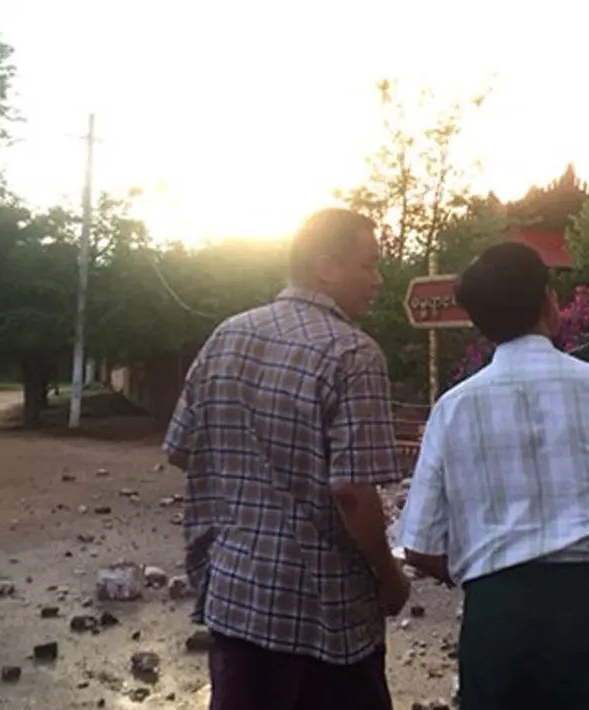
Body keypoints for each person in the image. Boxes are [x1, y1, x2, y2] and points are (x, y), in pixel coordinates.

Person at [395, 242, 589, 710]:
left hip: (496, 622)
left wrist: (490, 572)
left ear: (479, 322)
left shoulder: (452, 410)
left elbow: (420, 547)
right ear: (548, 302)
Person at [163, 207, 410, 710]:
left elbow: (185, 450)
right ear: (325, 267)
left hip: (233, 598)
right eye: (368, 265)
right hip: (325, 617)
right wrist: (389, 577)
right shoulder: (353, 354)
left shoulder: (226, 336)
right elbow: (351, 492)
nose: (379, 279)